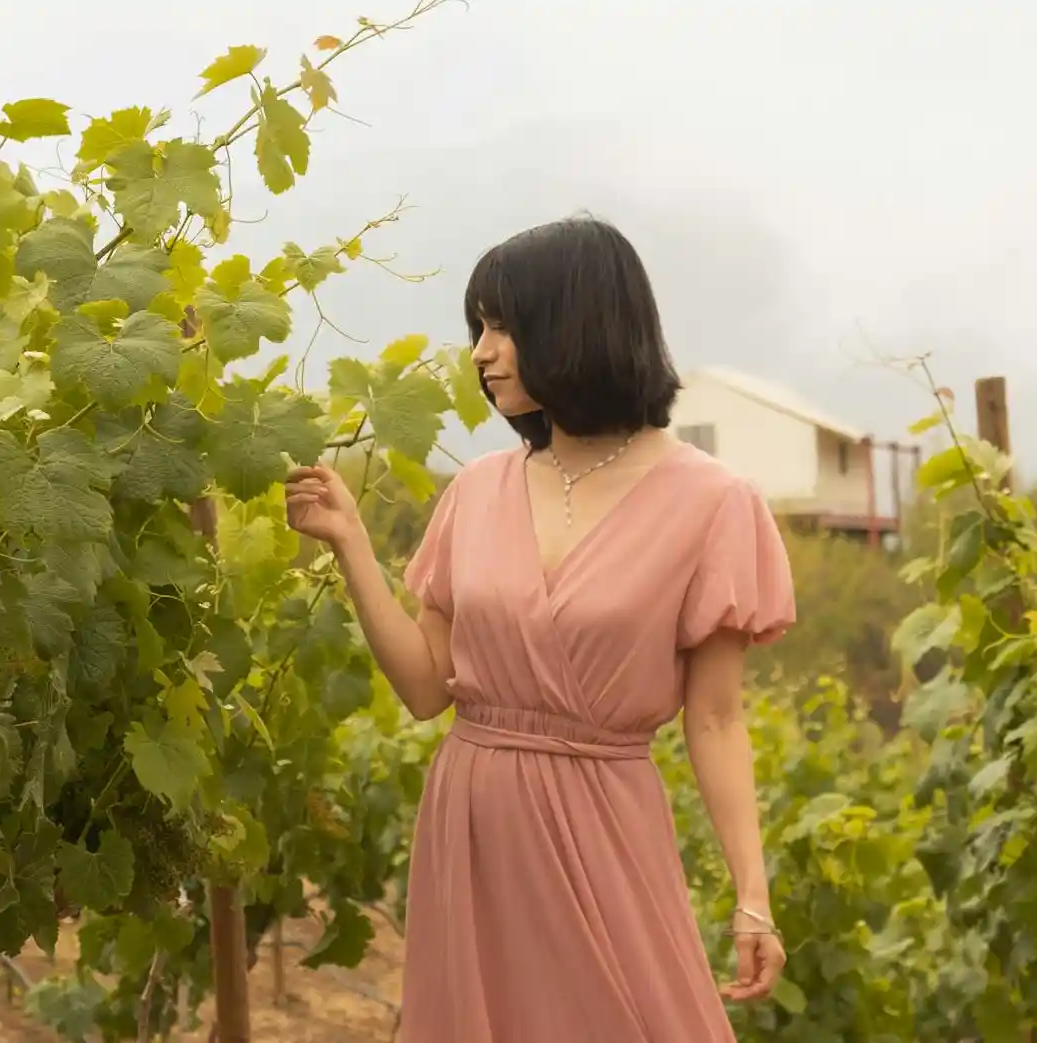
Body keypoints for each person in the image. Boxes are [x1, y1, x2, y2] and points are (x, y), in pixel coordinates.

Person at [284, 216, 797, 1042]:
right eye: (478, 328)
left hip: (605, 823)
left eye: (503, 325)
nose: (482, 352)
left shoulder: (713, 502)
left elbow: (717, 717)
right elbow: (424, 688)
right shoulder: (478, 490)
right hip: (471, 822)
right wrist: (351, 546)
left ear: (578, 323)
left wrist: (752, 894)